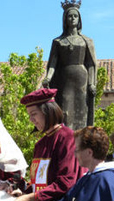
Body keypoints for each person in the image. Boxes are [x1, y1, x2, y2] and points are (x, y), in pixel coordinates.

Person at [42, 1, 96, 130]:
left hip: (82, 79)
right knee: (65, 108)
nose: (72, 19)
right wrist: (48, 78)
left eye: (75, 16)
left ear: (79, 19)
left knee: (82, 109)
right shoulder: (58, 42)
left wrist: (91, 83)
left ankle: (81, 139)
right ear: (65, 19)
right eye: (69, 16)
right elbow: (53, 63)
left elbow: (91, 64)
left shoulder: (86, 41)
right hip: (64, 79)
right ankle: (66, 136)